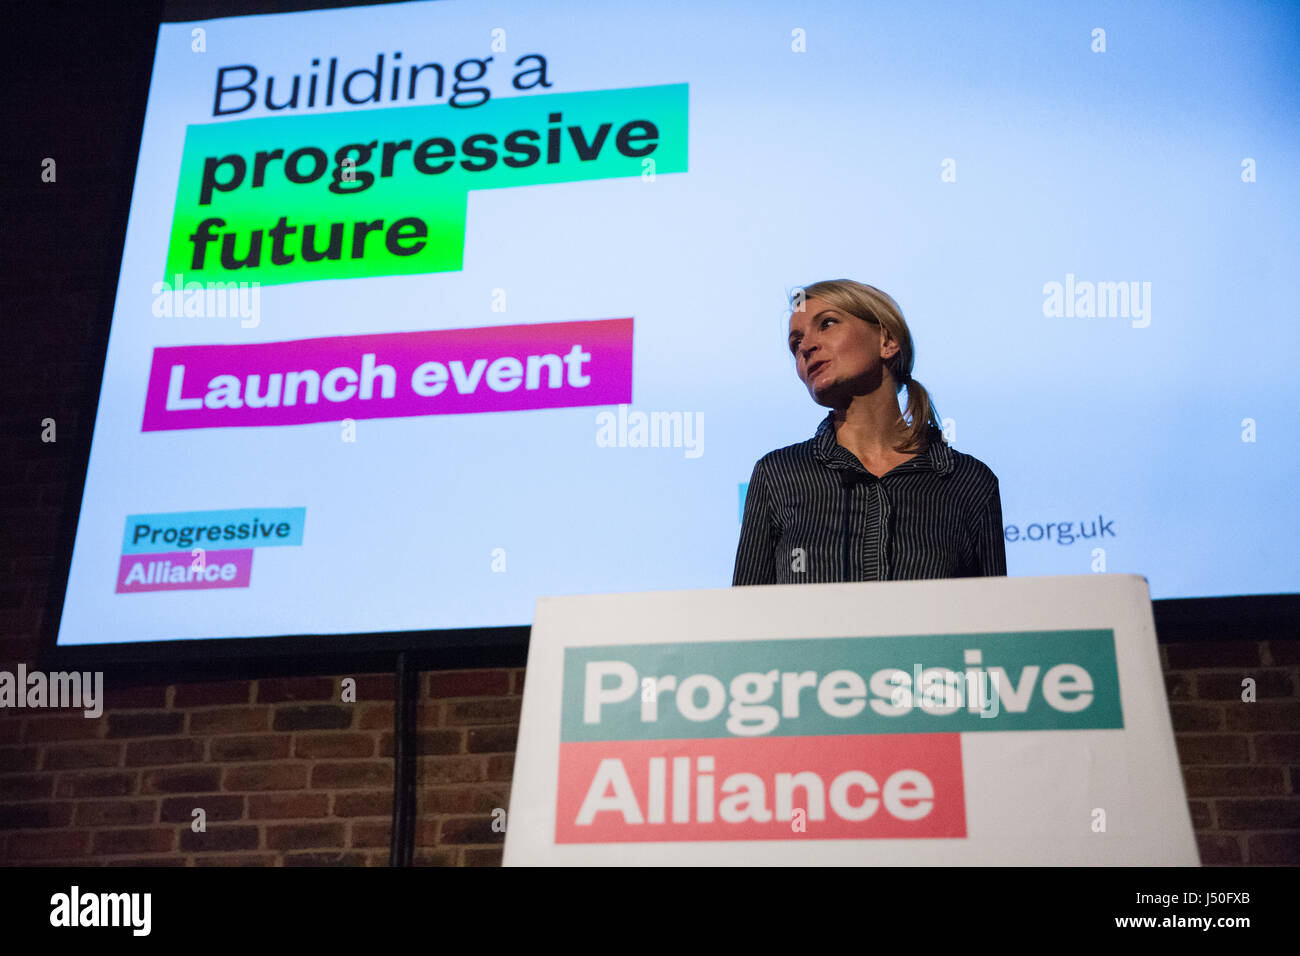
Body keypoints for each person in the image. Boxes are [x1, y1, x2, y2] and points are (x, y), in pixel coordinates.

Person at [732, 279, 1006, 585]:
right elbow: (748, 620)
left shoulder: (969, 482)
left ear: (886, 341)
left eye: (828, 323)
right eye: (796, 343)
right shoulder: (779, 476)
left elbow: (993, 623)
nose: (806, 347)